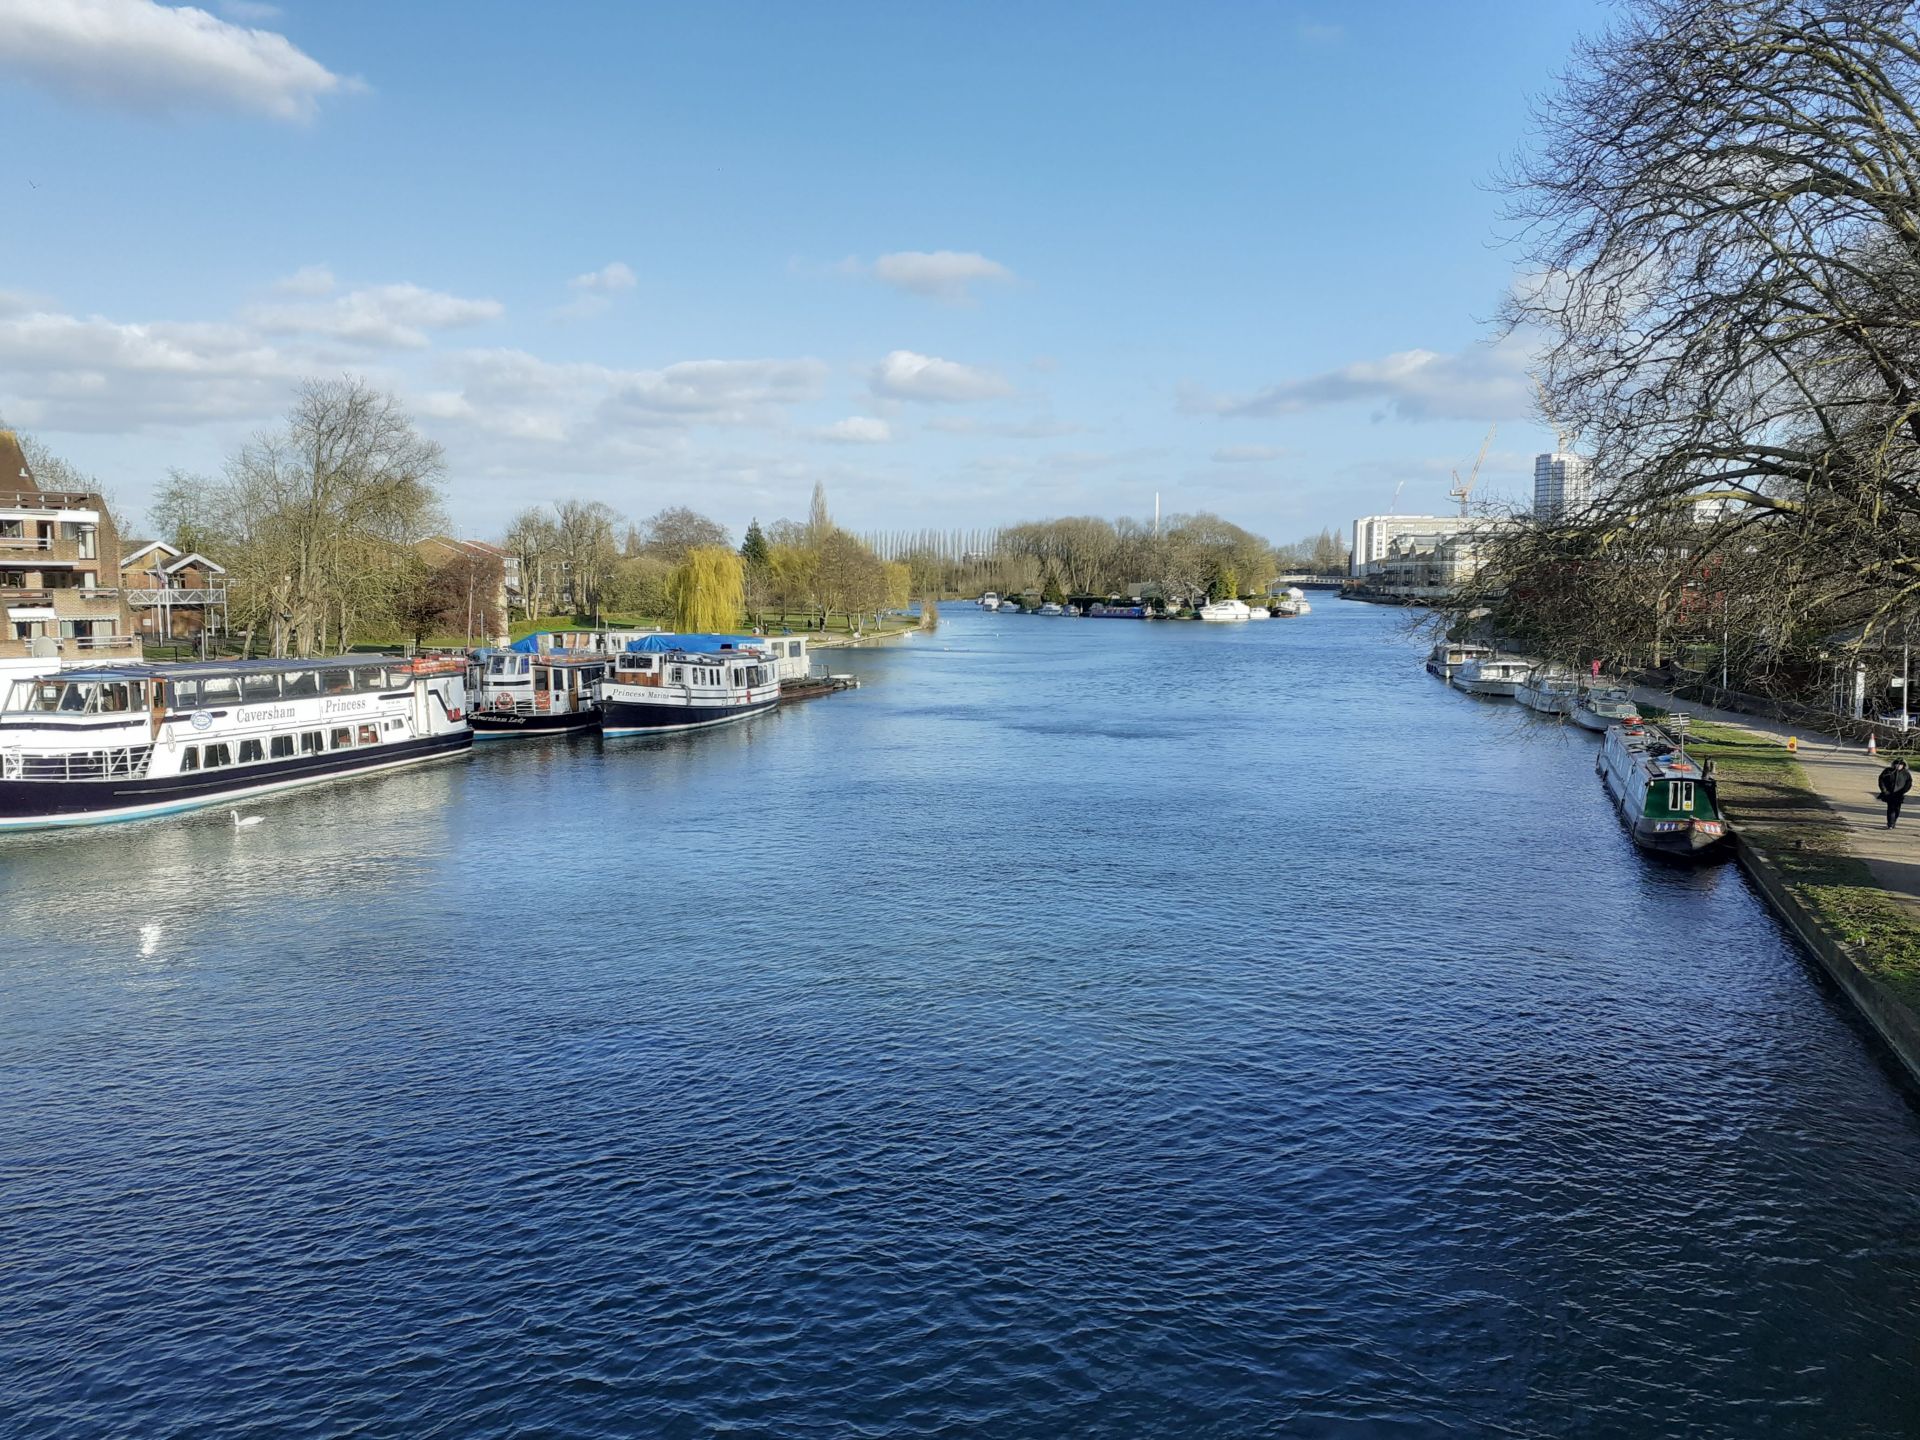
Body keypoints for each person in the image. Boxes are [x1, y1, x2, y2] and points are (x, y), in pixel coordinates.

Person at [1877, 756, 1912, 829]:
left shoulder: (1906, 773)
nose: (1898, 766)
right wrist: (1884, 791)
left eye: (1901, 765)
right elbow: (1881, 780)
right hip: (1889, 794)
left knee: (1897, 809)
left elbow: (1908, 783)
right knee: (1891, 809)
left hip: (1899, 794)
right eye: (1897, 764)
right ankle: (1890, 824)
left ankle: (1894, 822)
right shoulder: (1888, 771)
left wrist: (1903, 791)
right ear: (1894, 764)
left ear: (1903, 766)